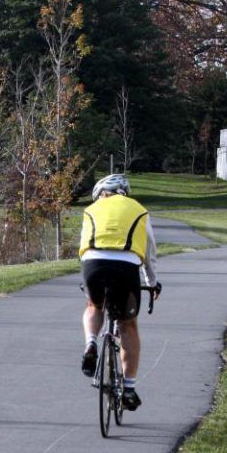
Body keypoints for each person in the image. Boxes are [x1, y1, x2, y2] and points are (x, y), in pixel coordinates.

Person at [78, 173, 161, 411]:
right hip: (126, 267)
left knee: (94, 305)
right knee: (128, 324)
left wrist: (88, 279)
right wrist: (152, 282)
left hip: (93, 264)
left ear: (102, 193)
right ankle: (129, 388)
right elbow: (149, 251)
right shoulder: (139, 209)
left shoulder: (91, 210)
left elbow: (83, 249)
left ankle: (91, 343)